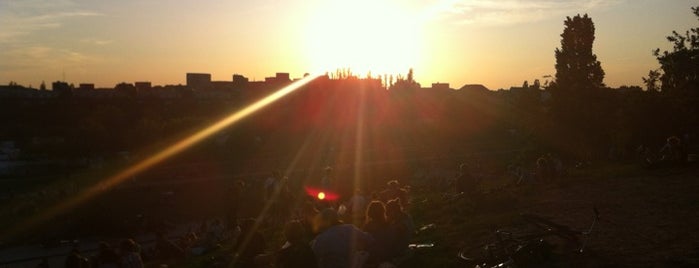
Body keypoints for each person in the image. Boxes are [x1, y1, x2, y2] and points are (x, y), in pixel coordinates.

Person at [362, 201, 395, 266]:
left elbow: (364, 243)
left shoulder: (368, 226)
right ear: (383, 211)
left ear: (369, 212)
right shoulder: (389, 226)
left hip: (372, 258)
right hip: (387, 256)